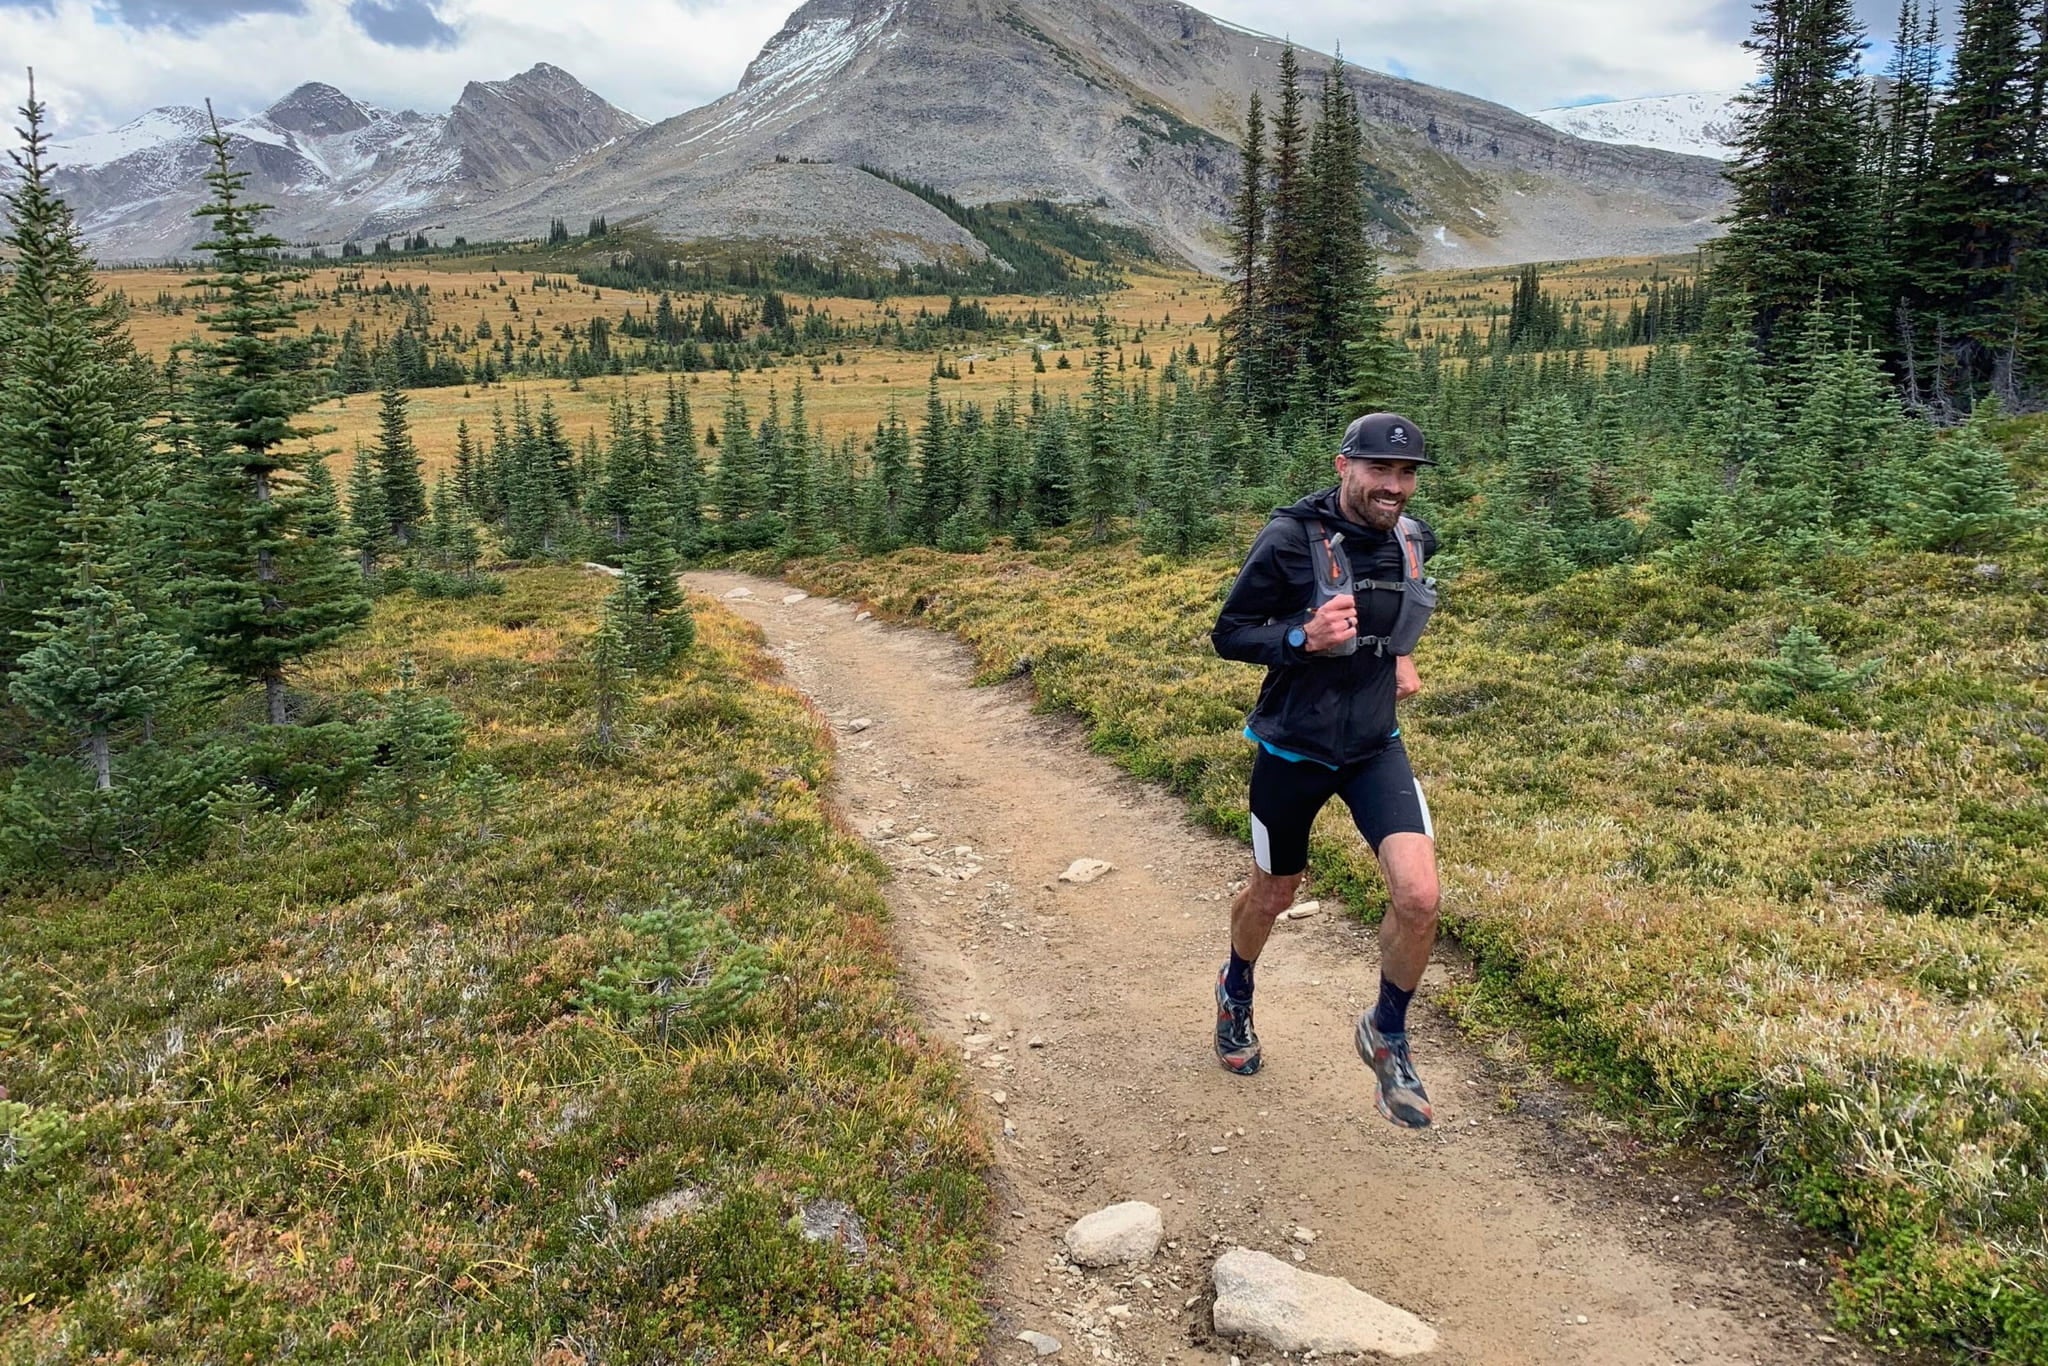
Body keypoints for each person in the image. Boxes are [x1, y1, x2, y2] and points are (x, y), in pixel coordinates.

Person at [1208, 412, 1443, 1128]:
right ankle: (1237, 988)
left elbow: (1397, 607)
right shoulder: (1287, 541)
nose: (1394, 486)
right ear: (1344, 465)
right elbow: (1229, 635)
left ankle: (1387, 1031)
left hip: (1374, 746)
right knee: (1274, 894)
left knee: (1421, 897)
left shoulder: (1413, 538)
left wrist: (1398, 654)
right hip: (1292, 749)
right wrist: (1300, 636)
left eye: (1405, 473)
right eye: (1379, 469)